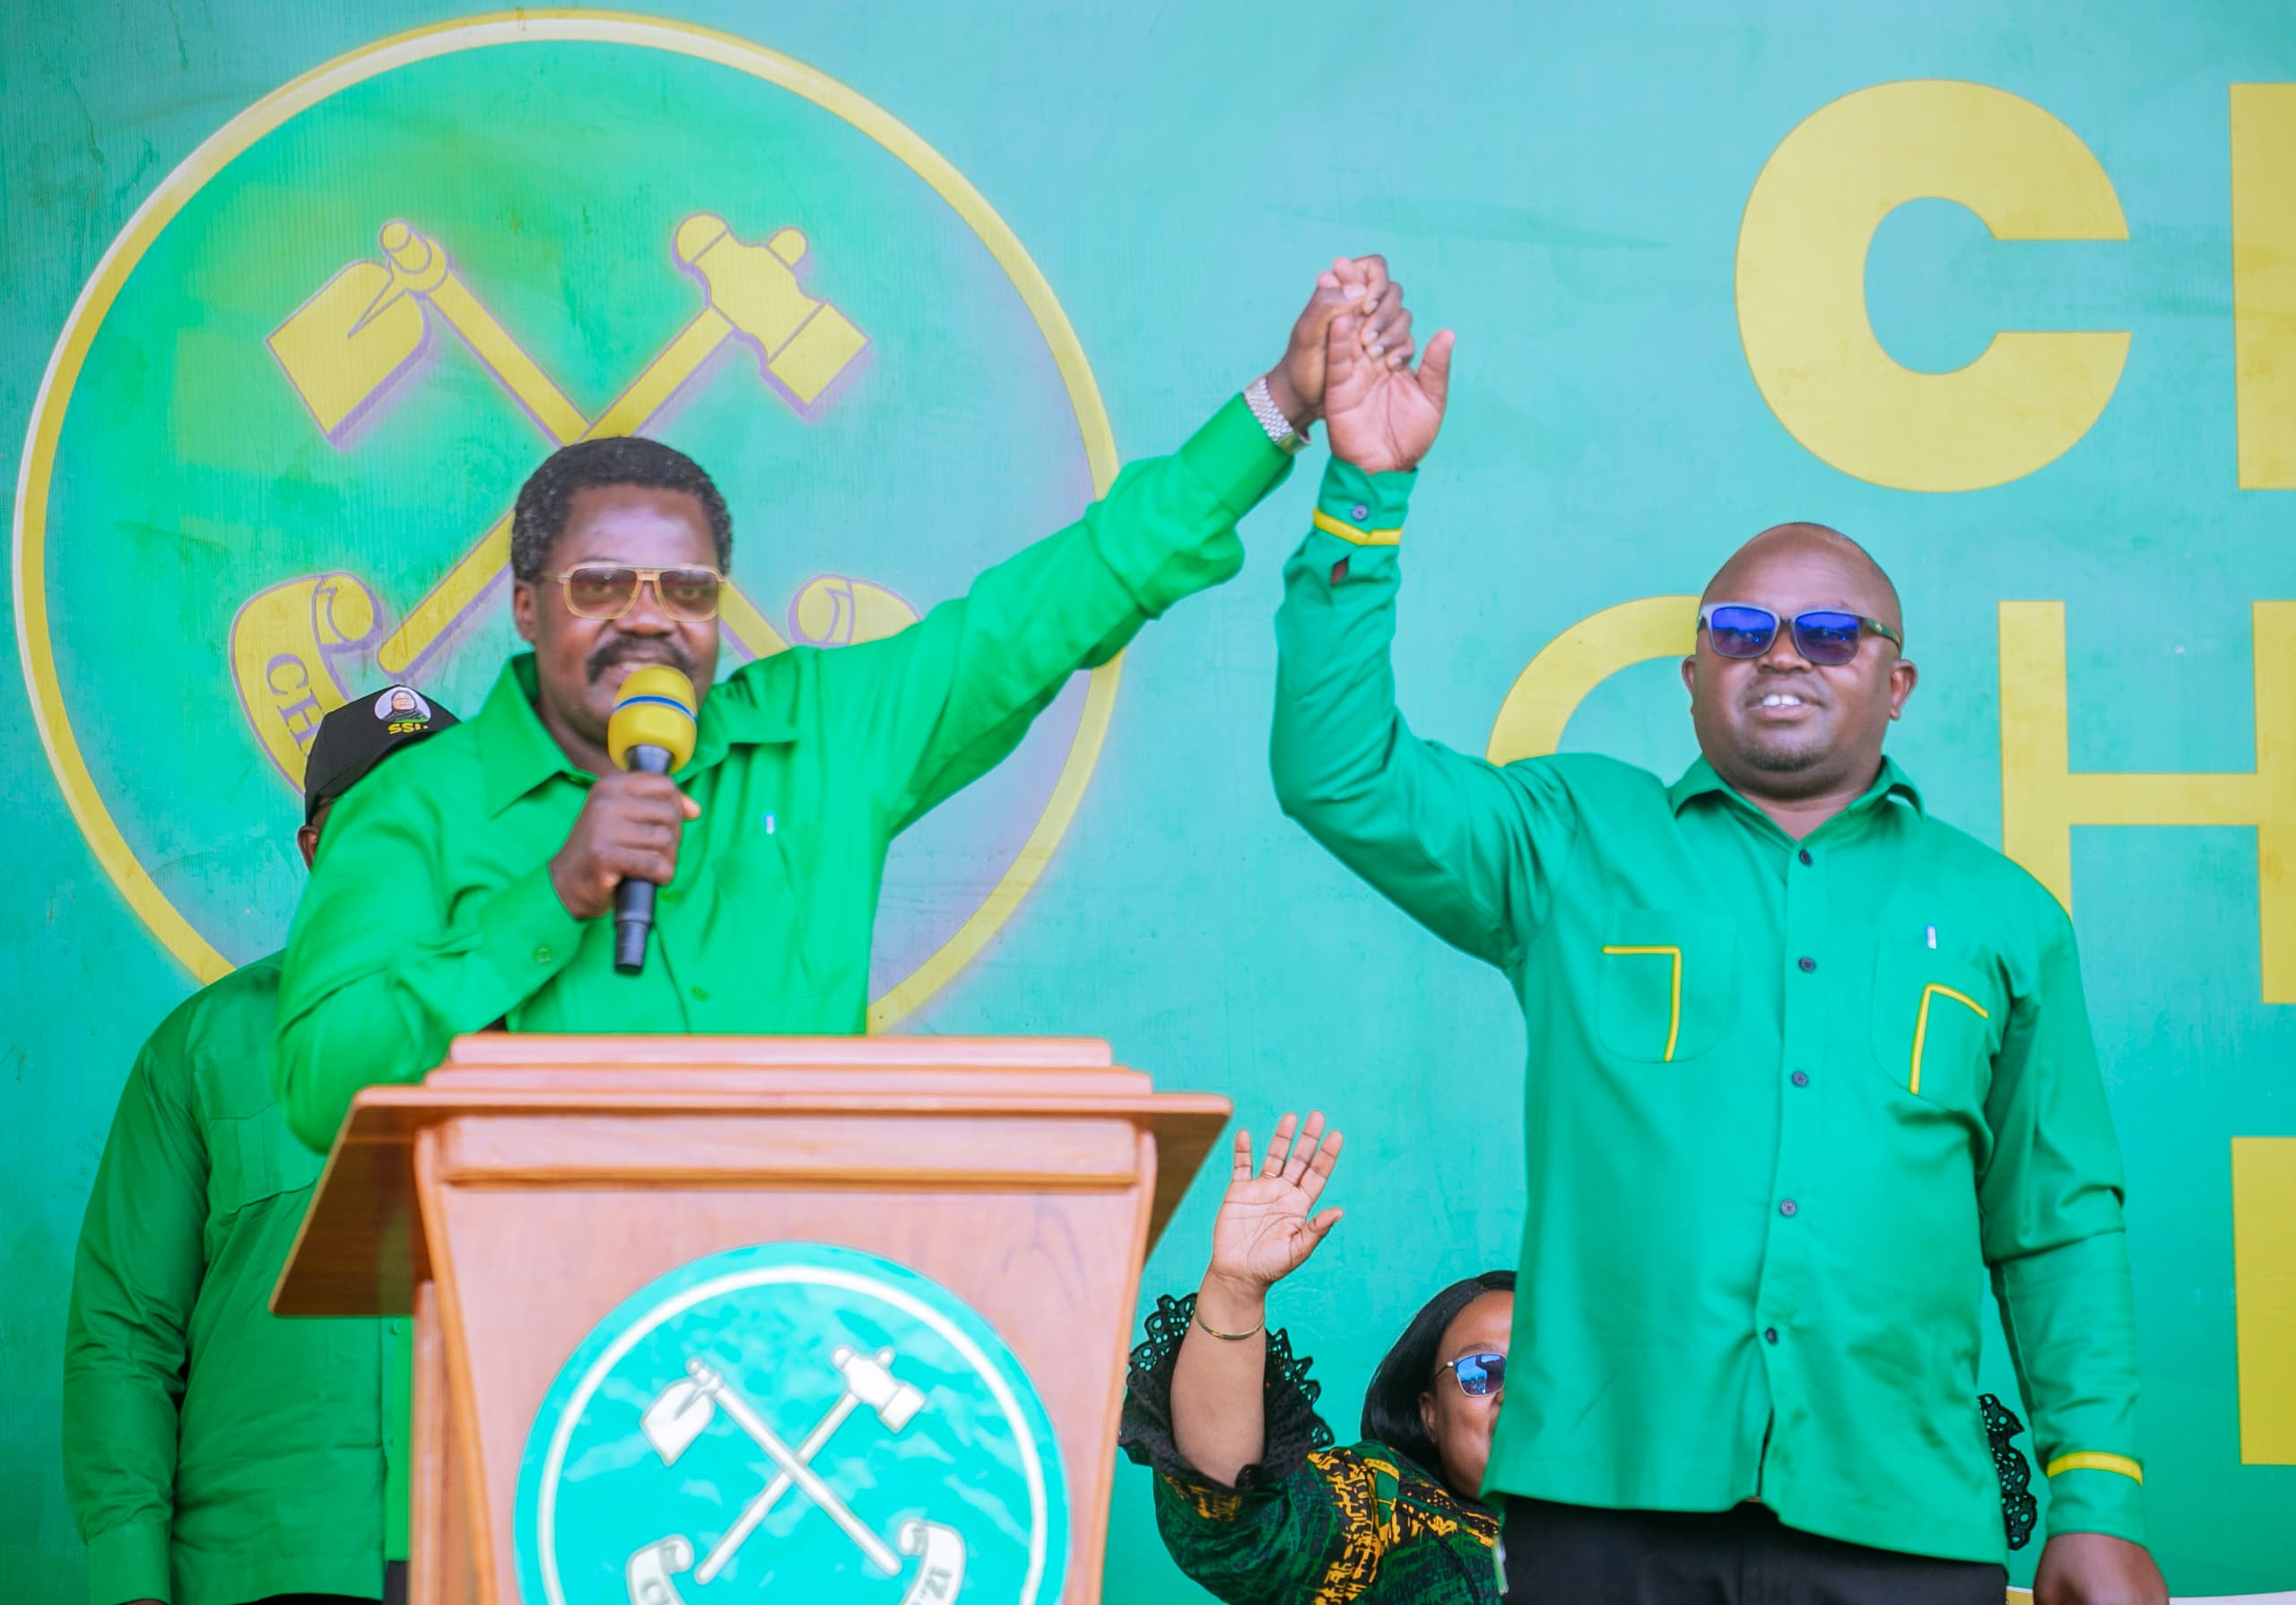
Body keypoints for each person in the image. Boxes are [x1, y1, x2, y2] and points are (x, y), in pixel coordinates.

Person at [1266, 268, 2168, 1605]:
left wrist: (2095, 1494)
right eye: (1741, 631)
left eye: (1832, 633)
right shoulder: (1570, 838)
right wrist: (1366, 491)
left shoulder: (2001, 915)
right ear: (1693, 675)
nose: (1782, 652)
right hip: (1605, 1502)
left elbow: (2054, 1225)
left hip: (1902, 1511)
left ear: (1898, 681)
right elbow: (1337, 772)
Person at [271, 265, 1420, 1150]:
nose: (649, 617)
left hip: (789, 1319)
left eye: (687, 589)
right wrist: (558, 891)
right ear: (525, 605)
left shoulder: (819, 733)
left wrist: (1283, 402)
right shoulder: (417, 805)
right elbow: (322, 1086)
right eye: (602, 584)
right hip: (535, 1343)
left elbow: (1058, 600)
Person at [64, 686, 457, 1605]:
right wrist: (130, 1583)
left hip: (497, 1551)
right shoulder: (200, 1049)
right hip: (268, 1563)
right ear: (316, 849)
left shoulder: (547, 1036)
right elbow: (124, 1340)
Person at [1119, 1111, 1511, 1603]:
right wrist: (1235, 1290)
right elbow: (1241, 1531)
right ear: (1430, 1414)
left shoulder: (1612, 1518)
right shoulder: (1387, 1512)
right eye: (1482, 1371)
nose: (1515, 1396)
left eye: (1543, 1373)